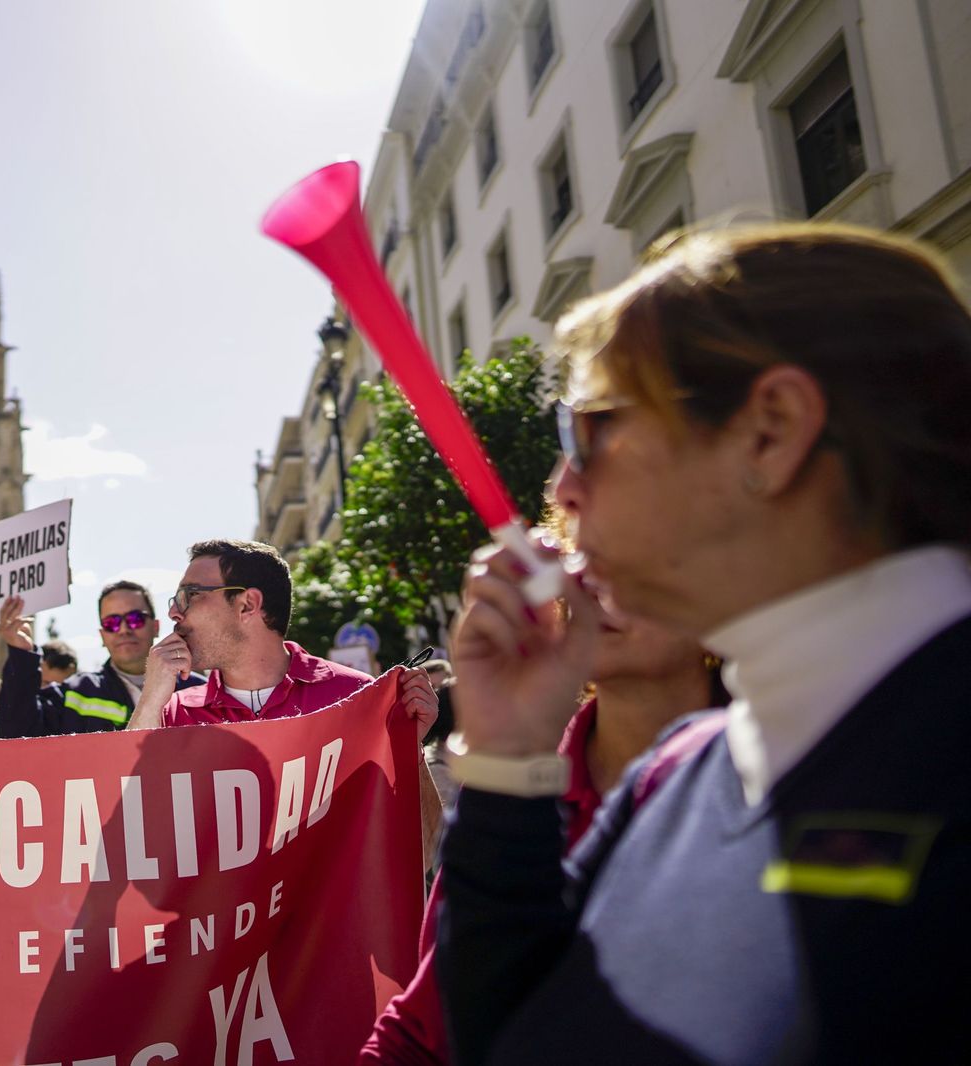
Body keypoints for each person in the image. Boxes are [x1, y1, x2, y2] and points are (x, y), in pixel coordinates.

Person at [438, 223, 971, 1063]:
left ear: (772, 430)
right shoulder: (680, 767)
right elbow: (516, 1037)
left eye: (589, 432)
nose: (561, 489)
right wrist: (507, 759)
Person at [361, 584, 723, 1062]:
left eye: (624, 550)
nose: (596, 583)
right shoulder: (509, 787)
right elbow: (427, 1027)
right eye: (583, 558)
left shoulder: (792, 774)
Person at [126, 539, 438, 735]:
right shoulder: (173, 712)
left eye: (190, 595)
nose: (174, 613)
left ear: (248, 604)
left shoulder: (355, 696)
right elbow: (130, 814)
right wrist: (151, 701)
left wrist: (410, 751)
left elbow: (417, 835)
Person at [0, 580, 204, 738]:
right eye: (112, 623)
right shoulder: (76, 692)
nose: (123, 630)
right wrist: (21, 655)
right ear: (103, 636)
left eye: (134, 619)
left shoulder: (201, 690)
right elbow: (17, 729)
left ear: (156, 626)